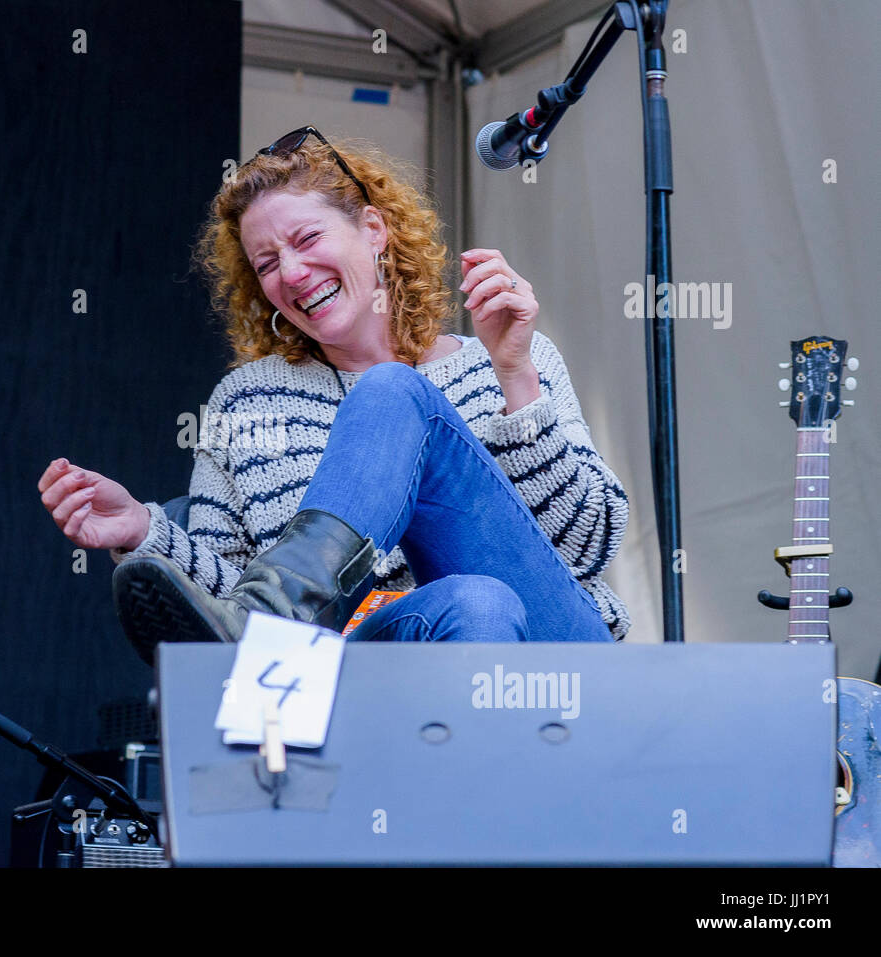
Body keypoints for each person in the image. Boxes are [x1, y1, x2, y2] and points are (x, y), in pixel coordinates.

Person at [38, 127, 631, 664]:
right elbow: (214, 616)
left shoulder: (512, 358)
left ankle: (272, 615)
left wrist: (516, 375)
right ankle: (273, 616)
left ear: (374, 231)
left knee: (395, 392)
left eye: (307, 238)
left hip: (560, 664)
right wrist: (143, 530)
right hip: (368, 676)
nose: (292, 273)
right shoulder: (245, 404)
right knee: (474, 605)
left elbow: (588, 550)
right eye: (267, 263)